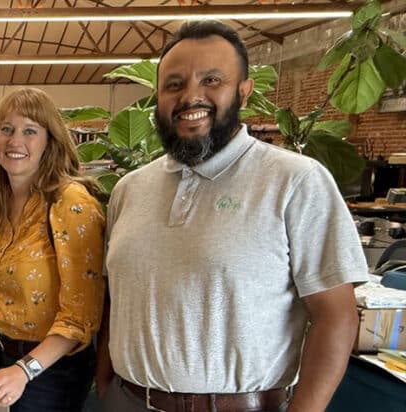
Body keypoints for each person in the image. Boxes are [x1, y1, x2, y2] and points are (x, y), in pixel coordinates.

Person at [98, 20, 368, 412]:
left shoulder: (294, 181)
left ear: (244, 90)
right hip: (128, 400)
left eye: (211, 80)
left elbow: (336, 316)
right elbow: (116, 298)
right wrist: (106, 384)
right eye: (174, 84)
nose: (191, 96)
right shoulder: (130, 189)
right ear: (157, 97)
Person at [0, 87, 105, 411]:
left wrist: (25, 370)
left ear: (50, 140)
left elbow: (79, 318)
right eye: (7, 129)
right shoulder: (1, 202)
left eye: (30, 131)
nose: (14, 141)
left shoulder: (70, 203)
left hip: (51, 372)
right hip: (5, 357)